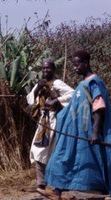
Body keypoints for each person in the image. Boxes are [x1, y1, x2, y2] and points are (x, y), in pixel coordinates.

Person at [38, 51, 111, 200]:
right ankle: (56, 191)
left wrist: (95, 132)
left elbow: (99, 108)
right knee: (62, 158)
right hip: (76, 133)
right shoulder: (82, 84)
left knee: (103, 161)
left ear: (86, 63)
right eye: (73, 65)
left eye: (77, 65)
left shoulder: (94, 82)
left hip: (89, 132)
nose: (74, 68)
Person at [26, 58, 74, 191]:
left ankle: (59, 183)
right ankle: (41, 182)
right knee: (38, 150)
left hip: (55, 120)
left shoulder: (57, 83)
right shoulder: (41, 83)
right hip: (44, 120)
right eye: (43, 68)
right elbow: (30, 100)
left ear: (53, 69)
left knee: (54, 151)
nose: (45, 70)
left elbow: (72, 94)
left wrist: (57, 100)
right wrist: (37, 89)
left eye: (48, 68)